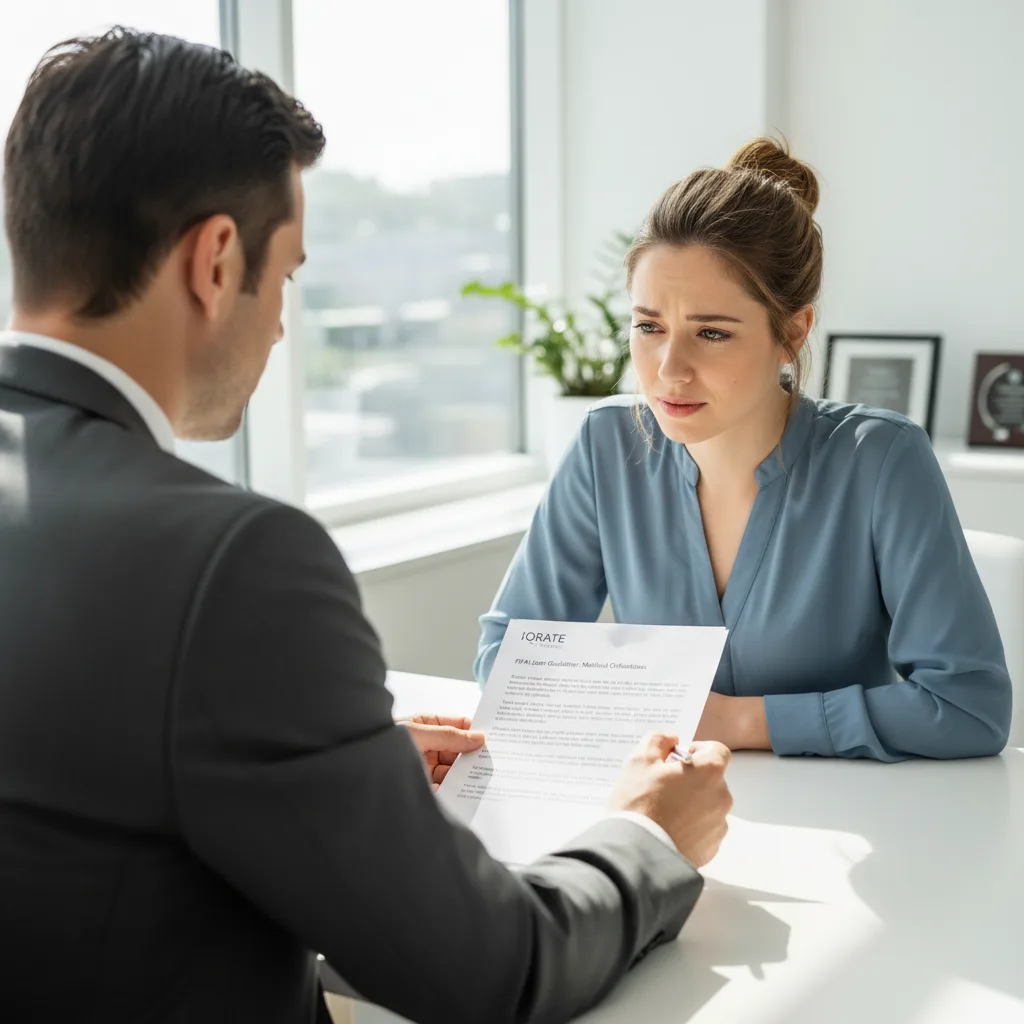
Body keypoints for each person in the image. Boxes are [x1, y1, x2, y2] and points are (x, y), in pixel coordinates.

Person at [0, 28, 735, 1024]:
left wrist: (329, 758)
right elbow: (492, 969)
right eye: (286, 278)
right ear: (215, 261)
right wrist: (645, 831)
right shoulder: (233, 564)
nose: (280, 325)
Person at [476, 138, 1012, 763]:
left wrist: (738, 720)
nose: (669, 370)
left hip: (841, 808)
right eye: (649, 326)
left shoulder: (882, 458)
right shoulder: (605, 445)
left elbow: (968, 707)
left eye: (711, 333)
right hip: (655, 803)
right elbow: (506, 662)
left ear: (792, 332)